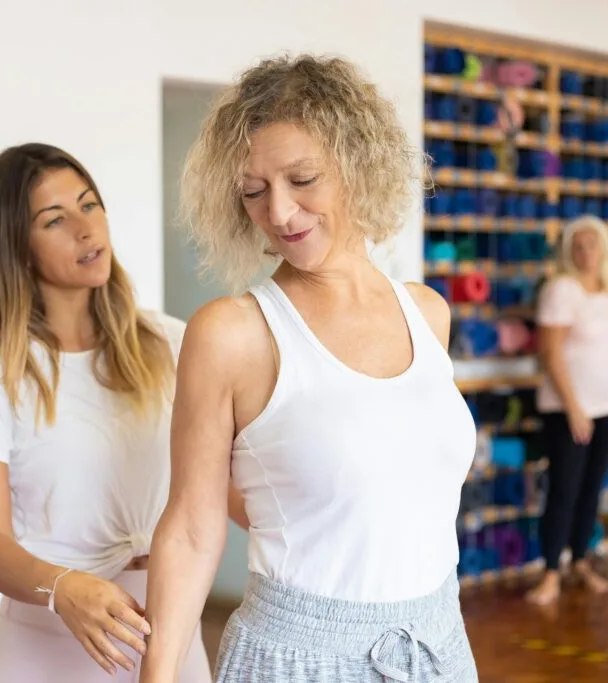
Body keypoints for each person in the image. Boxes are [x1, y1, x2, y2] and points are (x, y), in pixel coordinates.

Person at [139, 55, 479, 682]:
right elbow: (191, 526)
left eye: (302, 179)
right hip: (298, 660)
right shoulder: (233, 334)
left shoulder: (427, 314)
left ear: (357, 163)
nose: (281, 213)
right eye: (254, 192)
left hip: (438, 646)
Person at [0, 143, 213, 682]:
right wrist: (61, 588)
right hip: (42, 650)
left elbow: (220, 486)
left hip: (170, 641)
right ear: (16, 246)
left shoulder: (171, 343)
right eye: (55, 220)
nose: (86, 229)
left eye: (90, 204)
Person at [526, 215, 608, 606]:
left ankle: (581, 561)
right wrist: (574, 407)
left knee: (591, 489)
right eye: (579, 246)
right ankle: (551, 572)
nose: (587, 252)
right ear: (570, 252)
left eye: (593, 244)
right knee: (564, 490)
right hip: (568, 409)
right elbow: (551, 354)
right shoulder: (561, 289)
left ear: (605, 249)